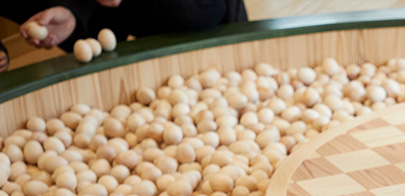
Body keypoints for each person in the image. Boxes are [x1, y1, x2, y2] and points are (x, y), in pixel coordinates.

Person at [1, 0, 247, 71]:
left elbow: (204, 12)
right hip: (147, 34)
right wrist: (73, 13)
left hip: (210, 28)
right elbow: (111, 30)